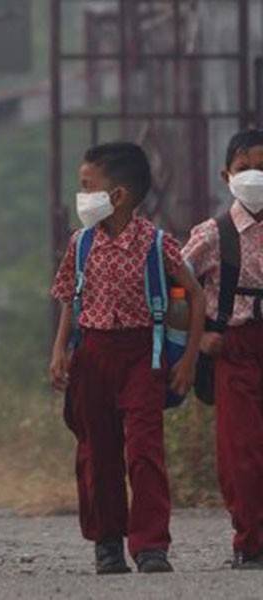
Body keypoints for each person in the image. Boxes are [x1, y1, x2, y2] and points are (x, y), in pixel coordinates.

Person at [49, 142, 205, 575]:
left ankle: (151, 544)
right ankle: (107, 542)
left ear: (117, 195)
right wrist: (59, 350)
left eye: (87, 186)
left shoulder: (158, 244)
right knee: (97, 453)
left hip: (143, 355)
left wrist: (189, 358)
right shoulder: (81, 243)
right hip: (92, 354)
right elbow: (69, 299)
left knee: (144, 451)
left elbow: (194, 295)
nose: (81, 196)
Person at [182, 130, 263, 570]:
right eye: (245, 168)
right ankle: (249, 540)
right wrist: (198, 336)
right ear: (225, 175)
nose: (255, 177)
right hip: (235, 346)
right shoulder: (214, 234)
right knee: (241, 449)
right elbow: (174, 283)